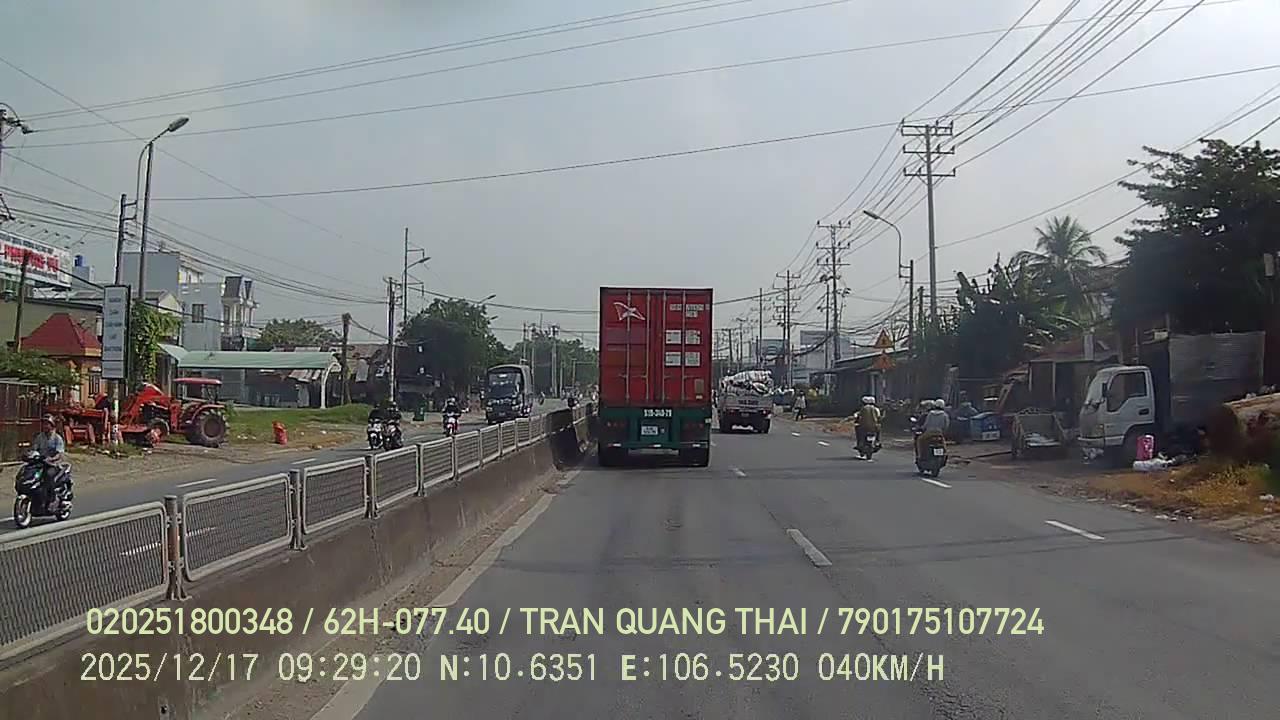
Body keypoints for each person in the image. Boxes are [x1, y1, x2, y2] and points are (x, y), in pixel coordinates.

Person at [32, 415, 71, 495]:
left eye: (47, 424)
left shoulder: (57, 438)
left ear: (52, 425)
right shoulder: (40, 437)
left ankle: (51, 496)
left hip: (53, 464)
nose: (45, 426)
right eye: (44, 424)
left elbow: (59, 454)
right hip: (41, 463)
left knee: (48, 475)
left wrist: (51, 459)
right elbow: (34, 449)